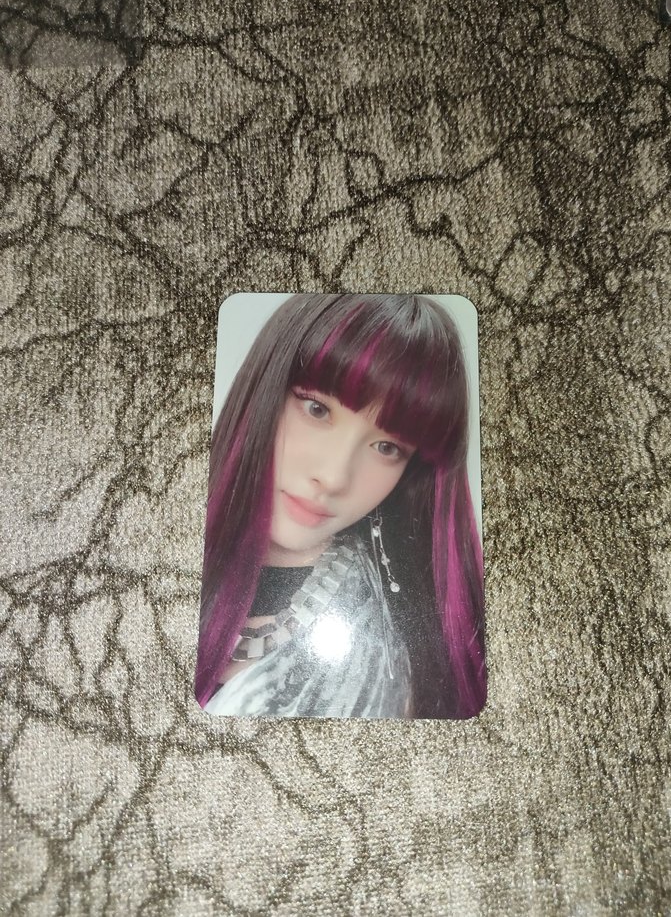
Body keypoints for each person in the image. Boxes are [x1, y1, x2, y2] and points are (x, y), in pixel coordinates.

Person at [195, 294, 486, 718]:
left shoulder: (389, 666)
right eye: (317, 410)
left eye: (387, 447)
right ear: (266, 390)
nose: (333, 478)